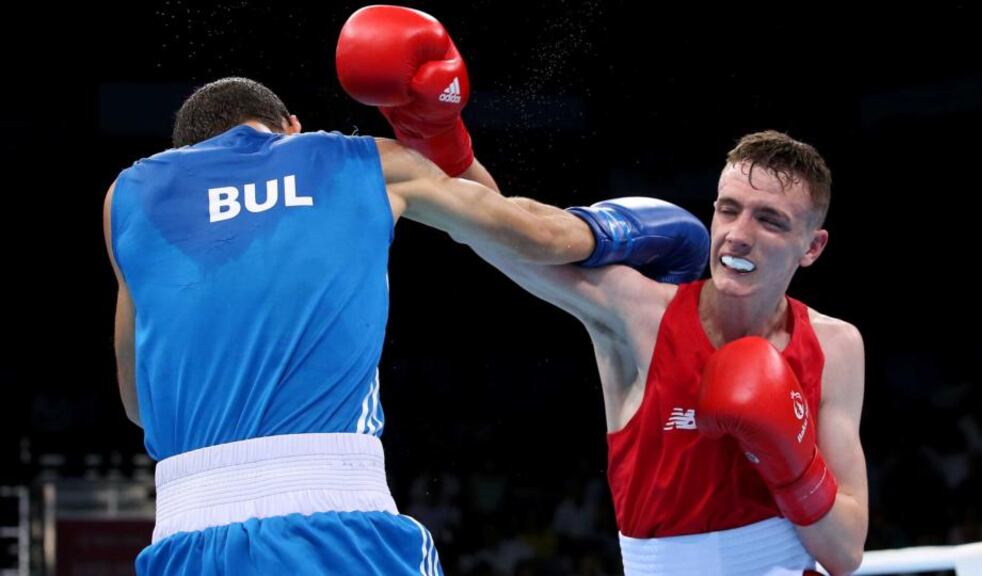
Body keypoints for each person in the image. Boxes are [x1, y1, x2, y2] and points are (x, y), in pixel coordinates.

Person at [100, 9, 609, 571]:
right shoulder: (351, 157)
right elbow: (524, 235)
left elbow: (139, 405)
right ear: (291, 125)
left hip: (182, 535)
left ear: (182, 152)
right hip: (332, 520)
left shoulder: (128, 197)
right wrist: (445, 139)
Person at [469, 131, 869, 576]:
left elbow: (845, 553)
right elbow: (498, 233)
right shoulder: (643, 314)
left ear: (812, 247)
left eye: (769, 220)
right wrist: (443, 138)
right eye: (728, 210)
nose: (738, 235)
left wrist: (792, 462)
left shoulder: (836, 346)